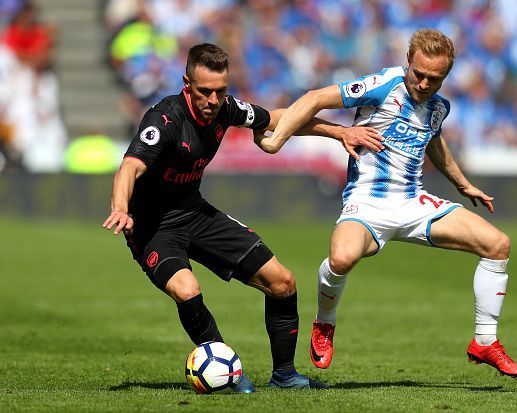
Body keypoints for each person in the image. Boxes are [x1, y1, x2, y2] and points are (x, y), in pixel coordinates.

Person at [102, 43, 383, 392]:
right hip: (153, 227)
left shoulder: (227, 108)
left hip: (195, 212)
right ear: (186, 84)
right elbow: (130, 166)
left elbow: (282, 118)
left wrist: (339, 131)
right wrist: (119, 208)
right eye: (204, 92)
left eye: (221, 91)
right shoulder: (165, 119)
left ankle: (285, 375)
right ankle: (229, 376)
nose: (213, 100)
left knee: (282, 282)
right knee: (187, 290)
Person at [258, 28, 517, 378]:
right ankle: (325, 323)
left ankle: (485, 341)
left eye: (435, 78)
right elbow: (314, 98)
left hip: (413, 202)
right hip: (367, 201)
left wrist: (463, 184)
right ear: (407, 64)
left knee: (498, 245)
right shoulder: (385, 84)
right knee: (341, 258)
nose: (425, 84)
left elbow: (434, 143)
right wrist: (277, 139)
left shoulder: (438, 108)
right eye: (419, 75)